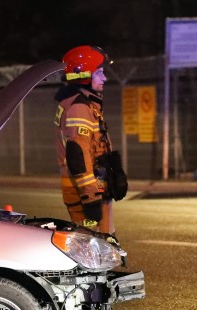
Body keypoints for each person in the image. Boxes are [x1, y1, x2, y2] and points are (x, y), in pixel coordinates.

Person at [54, 45, 118, 236]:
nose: (104, 78)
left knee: (100, 246)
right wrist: (90, 197)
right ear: (82, 74)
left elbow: (92, 146)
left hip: (93, 189)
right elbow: (77, 155)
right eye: (99, 73)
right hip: (87, 193)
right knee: (93, 248)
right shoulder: (79, 107)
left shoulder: (83, 102)